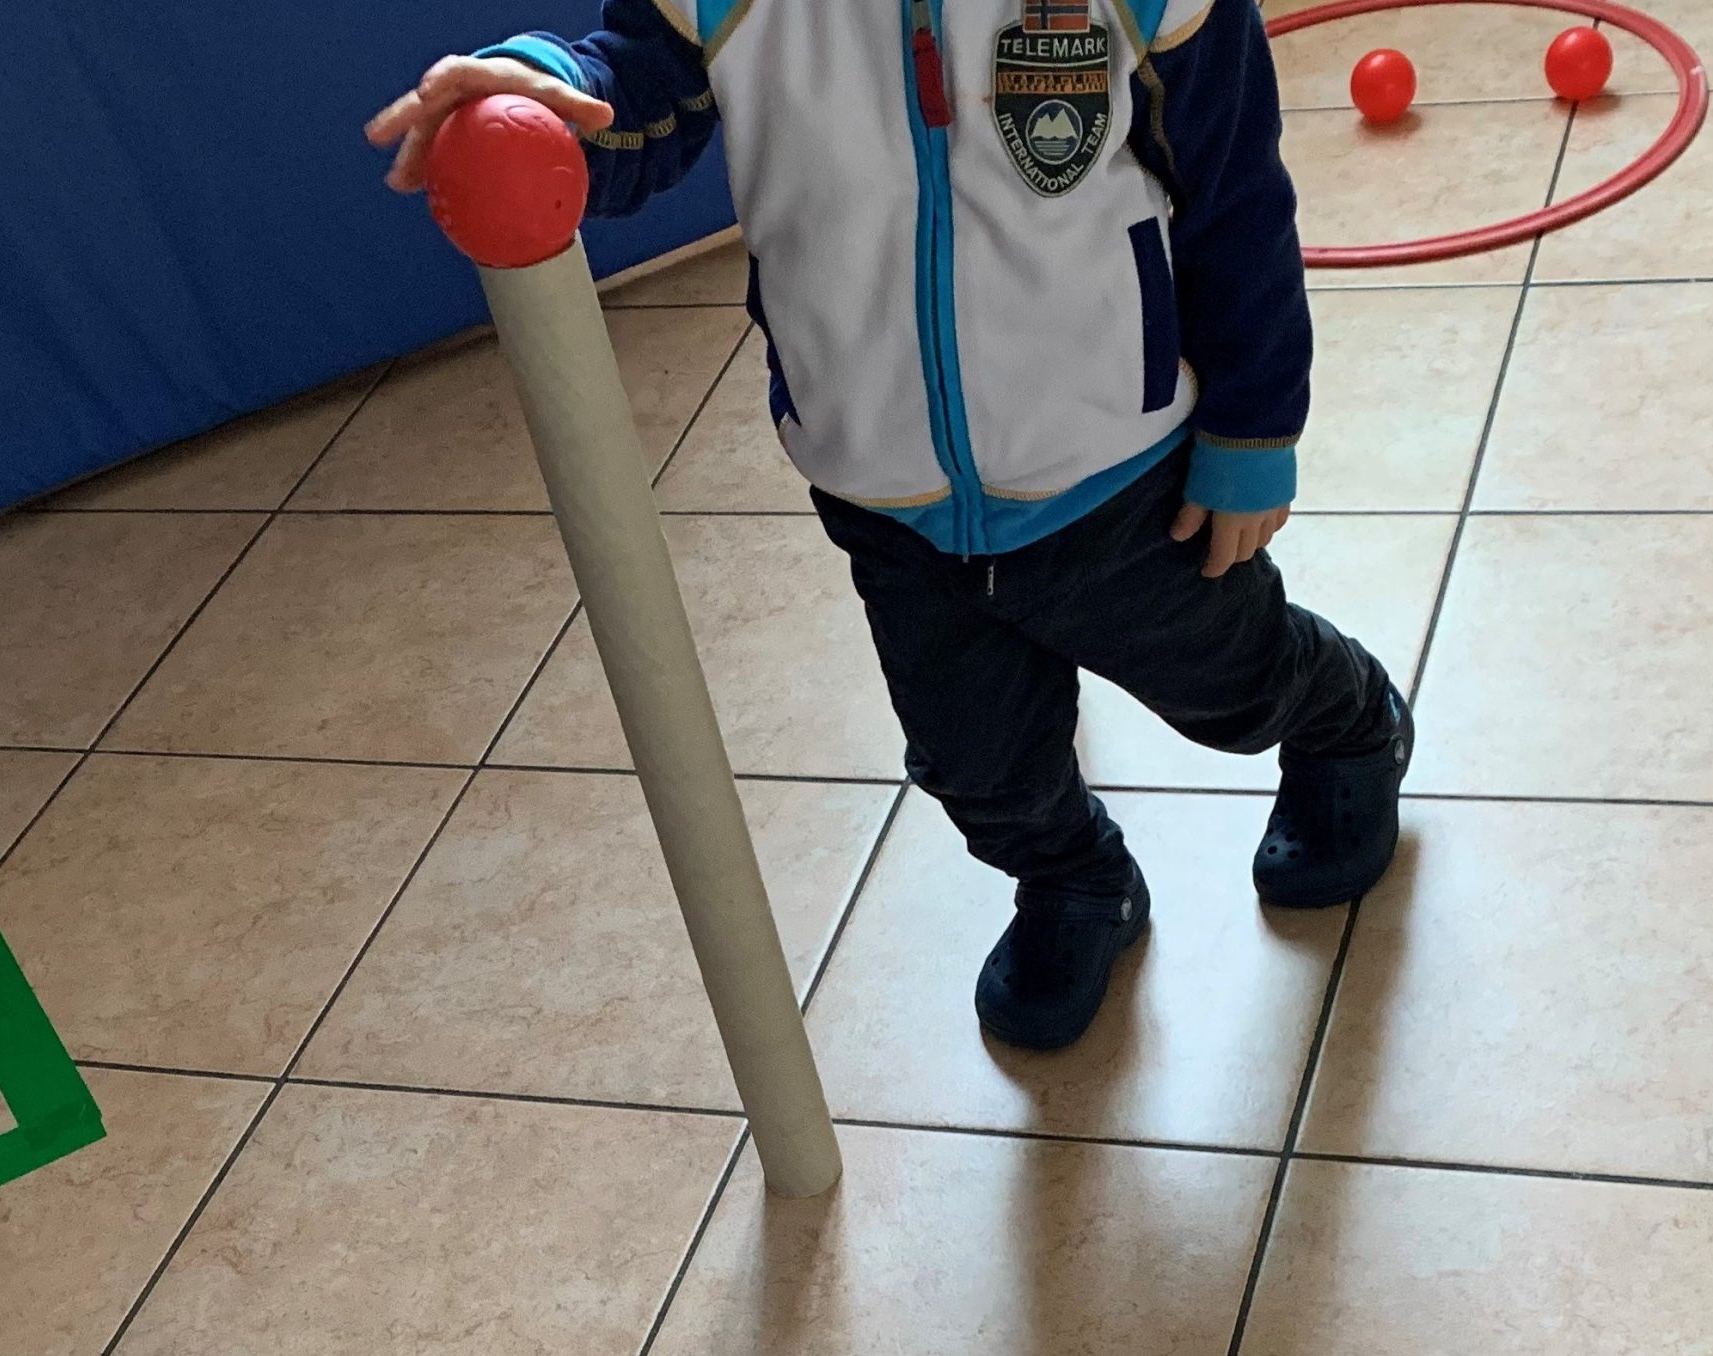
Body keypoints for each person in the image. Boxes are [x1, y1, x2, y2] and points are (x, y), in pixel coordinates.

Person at [369, 0, 1410, 1051]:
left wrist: (1252, 428)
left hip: (1115, 469)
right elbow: (633, 95)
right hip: (885, 490)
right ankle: (1074, 877)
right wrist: (536, 98)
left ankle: (1350, 722)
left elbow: (1234, 189)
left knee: (1230, 682)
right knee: (977, 767)